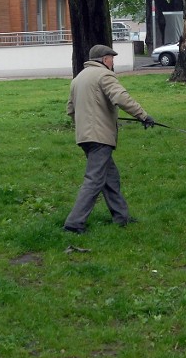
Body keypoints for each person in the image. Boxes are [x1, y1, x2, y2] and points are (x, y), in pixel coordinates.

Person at [64, 44, 156, 234]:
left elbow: (71, 110)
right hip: (99, 137)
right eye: (111, 58)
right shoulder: (104, 75)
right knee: (94, 180)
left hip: (84, 137)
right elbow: (121, 97)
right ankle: (74, 223)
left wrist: (86, 123)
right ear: (104, 59)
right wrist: (143, 115)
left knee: (110, 178)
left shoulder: (78, 78)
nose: (113, 62)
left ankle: (121, 218)